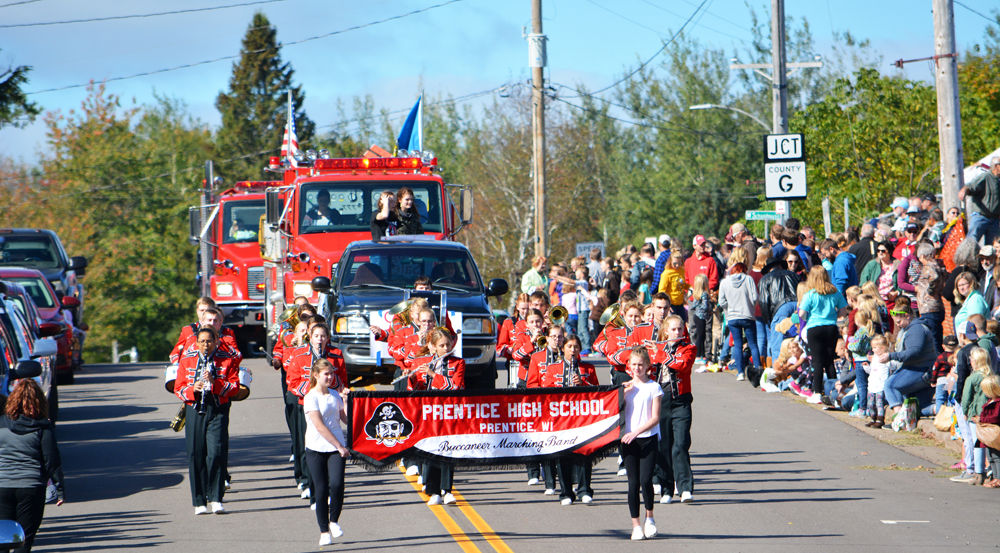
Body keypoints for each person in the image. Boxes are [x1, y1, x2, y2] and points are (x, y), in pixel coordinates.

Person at [174, 326, 241, 514]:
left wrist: (214, 382)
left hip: (218, 408)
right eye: (202, 341)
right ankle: (199, 501)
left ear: (216, 341)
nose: (206, 345)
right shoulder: (187, 359)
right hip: (195, 408)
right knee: (196, 453)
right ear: (196, 343)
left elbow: (235, 387)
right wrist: (192, 389)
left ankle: (216, 498)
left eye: (209, 341)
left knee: (217, 452)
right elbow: (178, 387)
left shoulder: (226, 359)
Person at [0, 380, 64, 553]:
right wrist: (59, 488)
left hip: (2, 486)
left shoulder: (1, 424)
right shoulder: (43, 428)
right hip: (31, 486)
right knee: (25, 539)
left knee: (2, 537)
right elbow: (51, 460)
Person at [539, 336, 599, 505]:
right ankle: (566, 492)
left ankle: (584, 489)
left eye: (576, 347)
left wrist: (583, 383)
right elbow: (545, 392)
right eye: (569, 346)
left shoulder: (588, 368)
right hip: (562, 418)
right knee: (563, 455)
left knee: (585, 453)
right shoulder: (553, 368)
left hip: (582, 417)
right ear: (563, 348)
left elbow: (598, 391)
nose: (573, 350)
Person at [408, 328, 465, 505]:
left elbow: (456, 387)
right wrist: (411, 377)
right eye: (441, 346)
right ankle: (433, 492)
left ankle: (447, 490)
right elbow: (414, 390)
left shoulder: (458, 363)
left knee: (447, 450)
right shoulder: (422, 362)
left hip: (449, 412)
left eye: (448, 345)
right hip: (429, 412)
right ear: (433, 347)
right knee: (431, 451)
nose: (446, 349)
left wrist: (434, 375)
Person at [648, 315, 696, 505]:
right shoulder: (656, 349)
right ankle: (666, 488)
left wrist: (659, 354)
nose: (677, 332)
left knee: (681, 444)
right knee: (664, 446)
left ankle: (685, 488)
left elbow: (682, 365)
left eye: (680, 329)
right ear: (666, 332)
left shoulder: (689, 348)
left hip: (681, 401)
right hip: (661, 401)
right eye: (674, 329)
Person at [303, 358, 350, 547]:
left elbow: (346, 419)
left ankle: (334, 521)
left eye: (332, 374)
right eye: (326, 374)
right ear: (316, 375)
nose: (330, 377)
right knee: (321, 490)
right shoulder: (310, 397)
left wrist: (345, 401)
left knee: (337, 485)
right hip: (316, 448)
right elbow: (319, 426)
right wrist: (339, 446)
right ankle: (324, 531)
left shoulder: (334, 395)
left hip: (336, 448)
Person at [620, 347, 662, 541]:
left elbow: (655, 418)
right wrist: (621, 394)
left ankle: (650, 518)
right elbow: (613, 410)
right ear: (629, 366)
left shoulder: (654, 387)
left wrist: (636, 432)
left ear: (647, 366)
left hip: (648, 439)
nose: (637, 368)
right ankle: (635, 525)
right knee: (633, 483)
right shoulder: (624, 388)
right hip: (627, 441)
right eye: (634, 364)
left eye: (640, 365)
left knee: (646, 480)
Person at [875, 303, 937, 428]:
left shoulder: (916, 329)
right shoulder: (910, 329)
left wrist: (891, 356)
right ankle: (939, 409)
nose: (898, 325)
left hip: (919, 369)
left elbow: (914, 352)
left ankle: (899, 422)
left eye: (899, 322)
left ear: (907, 316)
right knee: (917, 406)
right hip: (924, 370)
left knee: (891, 385)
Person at [797, 266, 848, 402]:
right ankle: (833, 392)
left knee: (817, 360)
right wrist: (833, 316)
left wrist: (808, 318)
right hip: (831, 327)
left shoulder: (810, 294)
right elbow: (843, 311)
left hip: (815, 328)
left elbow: (801, 313)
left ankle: (817, 392)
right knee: (829, 360)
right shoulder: (835, 292)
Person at [718, 258, 761, 385]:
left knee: (737, 345)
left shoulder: (725, 282)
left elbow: (721, 301)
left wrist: (729, 308)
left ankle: (740, 372)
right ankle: (758, 369)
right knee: (753, 344)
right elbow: (755, 297)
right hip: (747, 316)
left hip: (732, 317)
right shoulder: (748, 279)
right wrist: (750, 307)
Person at [952, 347, 992, 485]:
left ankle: (978, 472)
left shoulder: (972, 378)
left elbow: (966, 398)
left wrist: (965, 412)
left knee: (977, 442)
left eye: (971, 359)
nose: (970, 361)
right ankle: (991, 469)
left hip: (975, 414)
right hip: (991, 413)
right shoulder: (992, 377)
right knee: (990, 443)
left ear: (976, 361)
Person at [958, 156, 1000, 245]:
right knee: (971, 242)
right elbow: (971, 186)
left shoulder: (998, 180)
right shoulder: (985, 176)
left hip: (994, 219)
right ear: (997, 166)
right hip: (981, 216)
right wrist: (964, 190)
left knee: (993, 246)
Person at [864, 335, 897, 428]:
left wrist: (890, 362)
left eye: (875, 348)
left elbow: (893, 366)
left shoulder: (886, 358)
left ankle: (880, 419)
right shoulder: (874, 358)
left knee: (879, 403)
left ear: (882, 348)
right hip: (872, 384)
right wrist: (867, 367)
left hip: (881, 384)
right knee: (870, 403)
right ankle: (873, 418)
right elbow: (872, 371)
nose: (873, 350)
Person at [978, 375, 1000, 488]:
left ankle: (999, 478)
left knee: (997, 457)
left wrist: (982, 419)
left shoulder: (998, 403)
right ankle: (995, 477)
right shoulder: (989, 402)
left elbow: (996, 417)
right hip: (988, 434)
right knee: (990, 456)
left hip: (995, 434)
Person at [952, 271, 989, 335]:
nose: (961, 288)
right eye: (959, 285)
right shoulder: (969, 300)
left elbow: (975, 323)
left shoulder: (975, 299)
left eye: (964, 284)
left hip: (973, 339)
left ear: (972, 283)